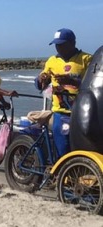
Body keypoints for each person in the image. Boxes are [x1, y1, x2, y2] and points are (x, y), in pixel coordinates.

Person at [35, 28, 91, 158]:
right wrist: (41, 79)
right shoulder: (52, 61)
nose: (58, 48)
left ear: (72, 43)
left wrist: (72, 81)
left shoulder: (86, 59)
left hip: (83, 112)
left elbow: (94, 84)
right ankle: (61, 176)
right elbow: (41, 81)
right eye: (56, 45)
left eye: (62, 44)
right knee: (63, 149)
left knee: (83, 148)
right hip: (61, 113)